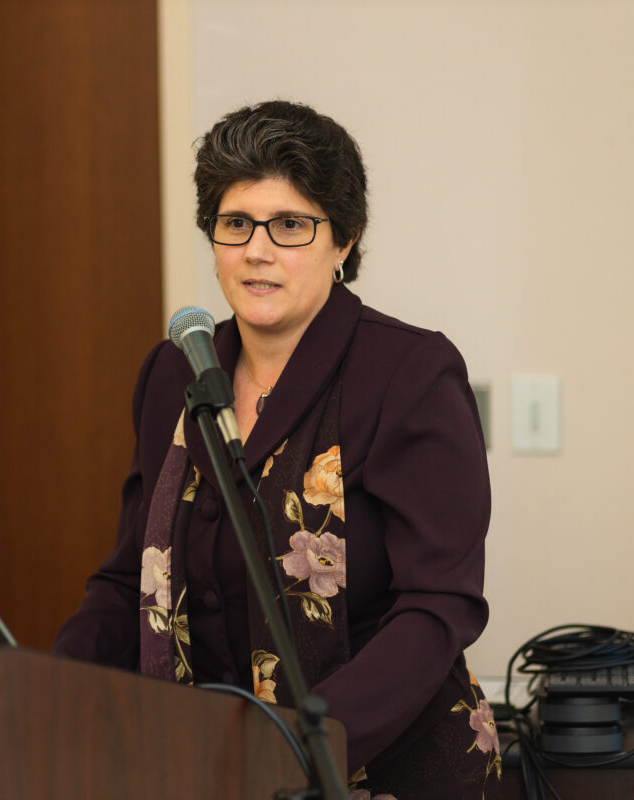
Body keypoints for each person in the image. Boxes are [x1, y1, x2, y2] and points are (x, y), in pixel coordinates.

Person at [53, 100, 498, 799]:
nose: (257, 251)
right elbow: (124, 579)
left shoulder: (409, 374)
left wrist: (293, 743)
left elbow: (438, 605)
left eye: (290, 224)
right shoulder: (176, 373)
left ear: (344, 240)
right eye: (236, 224)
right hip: (209, 769)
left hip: (384, 771)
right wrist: (44, 689)